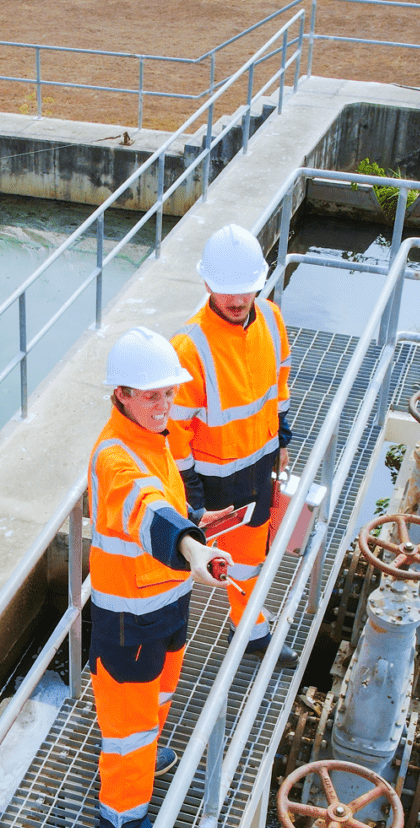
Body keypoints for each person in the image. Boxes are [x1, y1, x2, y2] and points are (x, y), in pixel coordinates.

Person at [89, 326, 233, 828]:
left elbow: (167, 504)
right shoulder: (114, 457)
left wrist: (196, 523)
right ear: (121, 394)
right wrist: (193, 550)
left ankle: (146, 763)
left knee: (158, 702)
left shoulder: (154, 438)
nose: (164, 404)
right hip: (129, 623)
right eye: (152, 395)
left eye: (169, 393)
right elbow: (144, 508)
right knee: (129, 729)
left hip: (165, 606)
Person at [168, 223, 299, 667]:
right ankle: (168, 655)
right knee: (186, 569)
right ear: (207, 283)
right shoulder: (189, 347)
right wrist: (194, 500)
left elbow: (278, 384)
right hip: (211, 490)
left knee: (249, 562)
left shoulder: (273, 320)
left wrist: (283, 438)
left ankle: (249, 628)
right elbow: (175, 434)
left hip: (259, 473)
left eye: (245, 290)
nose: (238, 301)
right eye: (227, 291)